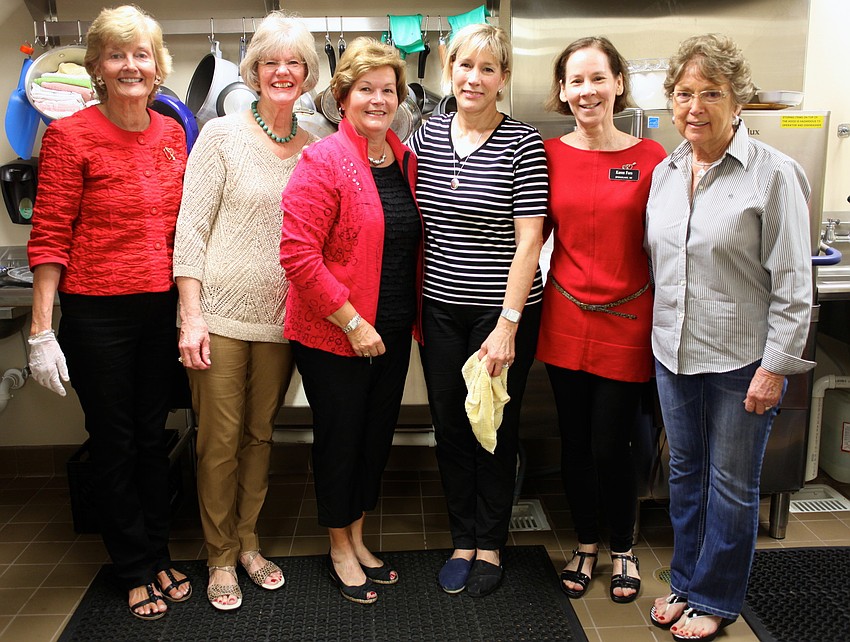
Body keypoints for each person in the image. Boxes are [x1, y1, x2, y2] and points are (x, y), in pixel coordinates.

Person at [645, 34, 813, 641]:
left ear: (737, 100)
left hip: (743, 358)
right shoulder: (665, 173)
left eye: (711, 93)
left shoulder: (773, 175)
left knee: (732, 484)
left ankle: (716, 597)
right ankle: (687, 581)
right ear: (671, 101)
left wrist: (775, 367)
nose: (696, 106)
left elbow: (794, 283)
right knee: (684, 474)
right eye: (684, 93)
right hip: (673, 353)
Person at [26, 5, 191, 621]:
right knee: (114, 440)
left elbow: (187, 229)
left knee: (154, 437)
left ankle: (158, 549)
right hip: (97, 314)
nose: (130, 65)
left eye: (141, 54)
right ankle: (132, 566)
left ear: (157, 65)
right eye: (117, 55)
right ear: (96, 67)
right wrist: (42, 331)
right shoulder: (69, 137)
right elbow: (48, 236)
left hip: (159, 310)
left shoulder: (173, 135)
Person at [173, 12, 319, 611]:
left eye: (294, 63)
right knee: (219, 440)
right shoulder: (221, 136)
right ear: (255, 70)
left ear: (308, 74)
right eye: (270, 62)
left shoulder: (314, 145)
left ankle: (250, 540)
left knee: (262, 436)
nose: (282, 72)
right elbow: (190, 230)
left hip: (284, 319)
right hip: (221, 316)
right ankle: (219, 556)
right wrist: (191, 314)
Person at [279, 37, 421, 605]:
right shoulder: (323, 159)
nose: (378, 100)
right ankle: (338, 545)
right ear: (344, 96)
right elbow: (297, 253)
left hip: (390, 331)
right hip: (335, 334)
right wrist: (352, 322)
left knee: (374, 440)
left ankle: (358, 537)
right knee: (340, 440)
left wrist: (384, 326)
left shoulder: (404, 158)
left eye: (388, 90)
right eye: (367, 89)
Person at [409, 23, 548, 597]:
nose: (474, 78)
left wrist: (508, 326)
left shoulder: (523, 143)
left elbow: (529, 243)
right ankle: (462, 538)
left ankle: (491, 543)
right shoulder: (425, 135)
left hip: (503, 314)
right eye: (465, 65)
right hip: (439, 310)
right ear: (450, 68)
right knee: (451, 426)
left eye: (488, 69)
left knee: (494, 425)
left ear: (503, 78)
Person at [537, 37, 666, 604]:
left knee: (614, 444)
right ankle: (585, 544)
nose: (586, 91)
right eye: (575, 81)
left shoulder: (652, 160)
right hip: (564, 316)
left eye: (597, 78)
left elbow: (669, 247)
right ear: (562, 92)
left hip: (629, 319)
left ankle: (624, 547)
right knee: (574, 442)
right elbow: (526, 240)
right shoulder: (546, 154)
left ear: (618, 83)